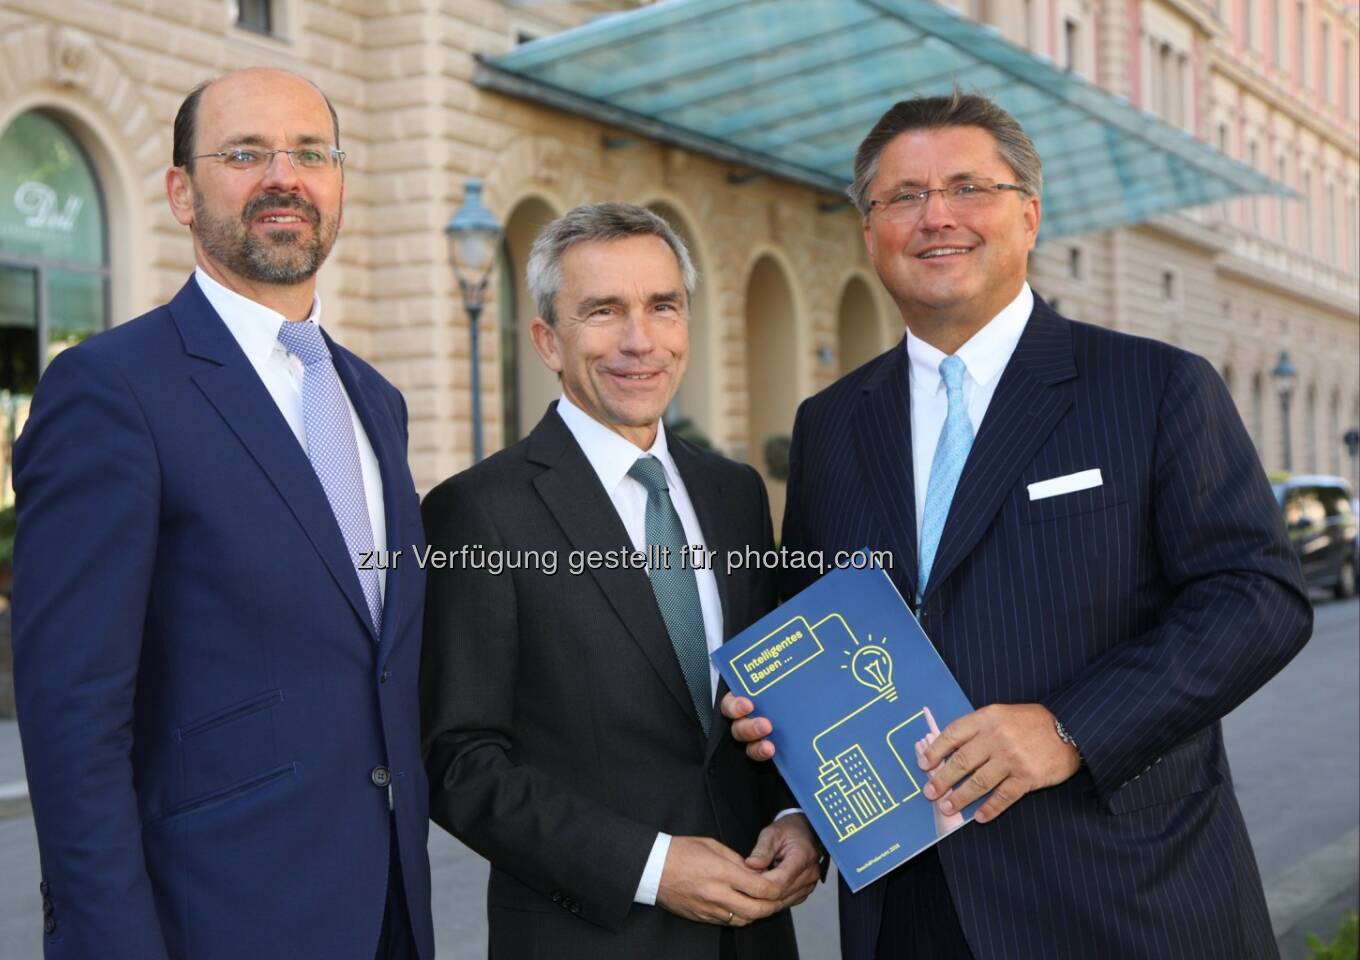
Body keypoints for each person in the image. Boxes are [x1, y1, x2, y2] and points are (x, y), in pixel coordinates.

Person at [722, 91, 1311, 960]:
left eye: (968, 188)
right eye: (903, 197)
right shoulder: (832, 423)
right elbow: (811, 620)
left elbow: (1259, 598)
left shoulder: (1154, 388)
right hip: (911, 911)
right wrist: (791, 762)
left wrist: (1068, 726)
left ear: (1029, 216)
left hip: (1123, 898)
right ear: (869, 232)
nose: (936, 218)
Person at [11, 68, 432, 960]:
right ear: (180, 192)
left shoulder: (375, 400)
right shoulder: (111, 390)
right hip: (216, 918)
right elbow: (72, 721)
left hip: (389, 911)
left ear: (339, 184)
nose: (285, 176)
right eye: (245, 154)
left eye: (310, 154)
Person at [421, 203, 820, 960]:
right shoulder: (477, 512)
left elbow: (769, 691)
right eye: (603, 311)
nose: (640, 341)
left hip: (758, 929)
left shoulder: (735, 494)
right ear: (548, 340)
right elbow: (459, 761)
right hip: (591, 937)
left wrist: (801, 818)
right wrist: (652, 867)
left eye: (662, 307)